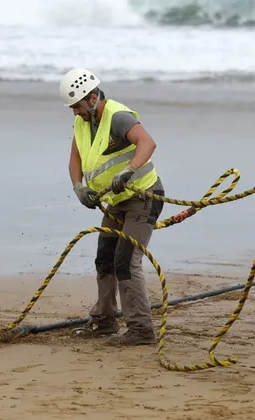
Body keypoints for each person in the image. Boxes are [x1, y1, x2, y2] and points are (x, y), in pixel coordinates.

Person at [60, 68, 165, 346]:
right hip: (115, 204)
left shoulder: (118, 117)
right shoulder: (83, 123)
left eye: (77, 107)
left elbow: (147, 143)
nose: (75, 113)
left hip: (144, 198)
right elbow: (75, 159)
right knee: (104, 258)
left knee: (125, 261)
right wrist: (78, 187)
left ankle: (141, 329)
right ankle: (104, 321)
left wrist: (129, 171)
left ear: (92, 99)